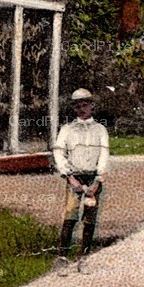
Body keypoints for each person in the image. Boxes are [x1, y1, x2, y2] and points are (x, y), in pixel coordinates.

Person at [52, 88, 110, 274]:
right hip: (74, 178)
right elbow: (59, 153)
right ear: (73, 108)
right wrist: (69, 177)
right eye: (78, 106)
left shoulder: (100, 130)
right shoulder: (67, 130)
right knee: (70, 216)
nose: (82, 109)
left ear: (92, 106)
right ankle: (62, 258)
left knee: (89, 218)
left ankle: (83, 258)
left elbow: (104, 155)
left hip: (93, 178)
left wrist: (98, 181)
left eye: (85, 105)